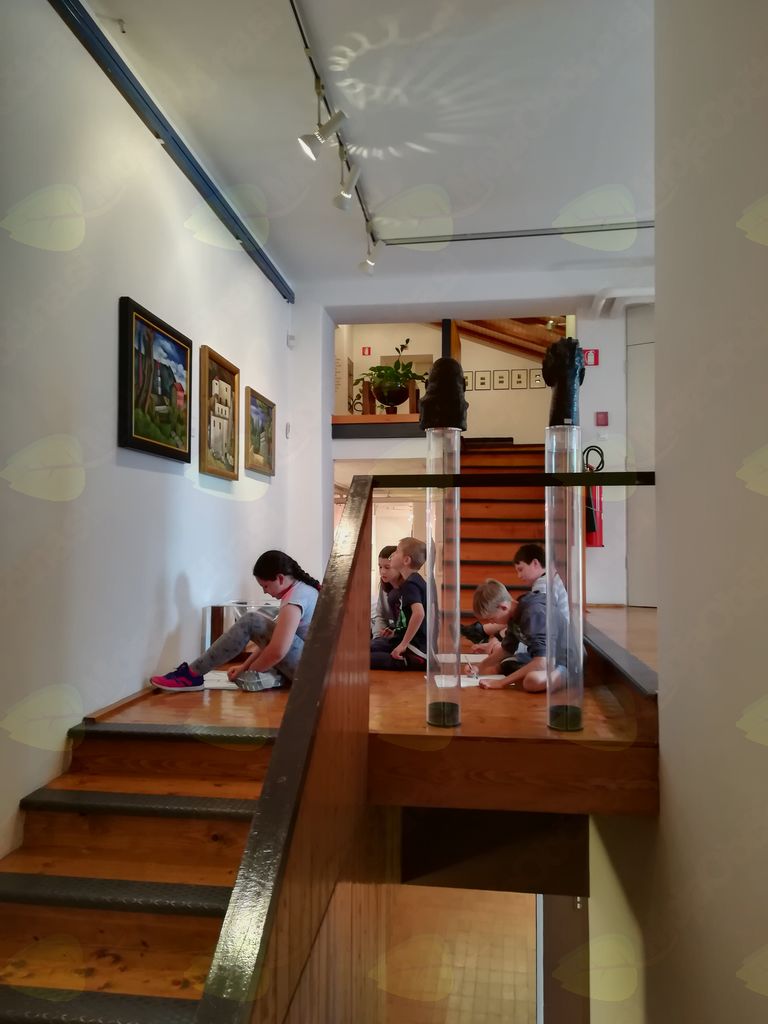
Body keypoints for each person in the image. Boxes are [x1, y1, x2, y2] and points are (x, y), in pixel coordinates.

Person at [150, 550, 320, 692]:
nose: (265, 592)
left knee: (250, 620)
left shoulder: (295, 599)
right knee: (256, 623)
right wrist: (243, 667)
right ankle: (273, 677)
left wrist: (250, 672)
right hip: (310, 667)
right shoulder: (303, 590)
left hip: (309, 671)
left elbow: (277, 651)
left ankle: (192, 675)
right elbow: (272, 642)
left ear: (280, 578)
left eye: (265, 586)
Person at [468, 577, 567, 692]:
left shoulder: (533, 612)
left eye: (492, 618)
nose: (491, 622)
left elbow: (542, 662)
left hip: (565, 662)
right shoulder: (515, 614)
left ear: (503, 607)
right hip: (547, 660)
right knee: (506, 665)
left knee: (531, 680)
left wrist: (501, 683)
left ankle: (566, 678)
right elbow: (506, 649)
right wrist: (479, 667)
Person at [370, 537, 427, 670]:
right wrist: (395, 632)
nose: (393, 555)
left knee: (364, 658)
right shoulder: (412, 582)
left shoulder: (410, 585)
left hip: (415, 652)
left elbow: (419, 614)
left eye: (396, 552)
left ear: (406, 560)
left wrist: (403, 645)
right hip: (406, 644)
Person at [371, 545, 402, 638]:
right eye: (380, 567)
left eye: (387, 567)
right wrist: (377, 636)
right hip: (387, 633)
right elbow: (380, 615)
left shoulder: (409, 588)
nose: (382, 572)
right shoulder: (384, 586)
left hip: (402, 637)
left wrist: (394, 634)